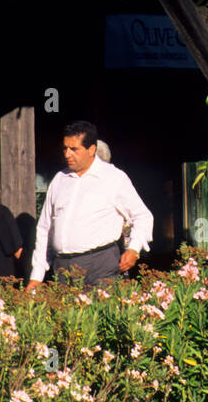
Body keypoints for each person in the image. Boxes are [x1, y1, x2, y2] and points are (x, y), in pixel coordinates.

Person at [28, 120, 152, 291]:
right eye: (65, 148)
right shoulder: (59, 180)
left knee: (100, 316)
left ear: (91, 149)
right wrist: (37, 275)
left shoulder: (114, 178)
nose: (67, 154)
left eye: (74, 149)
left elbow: (143, 216)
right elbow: (44, 229)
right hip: (62, 269)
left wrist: (134, 249)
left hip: (100, 267)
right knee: (65, 317)